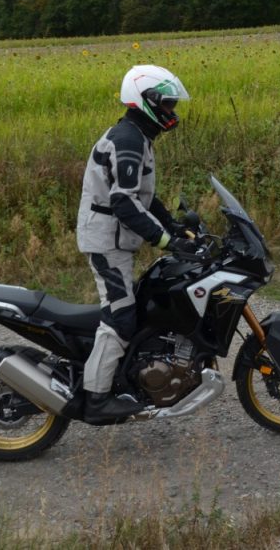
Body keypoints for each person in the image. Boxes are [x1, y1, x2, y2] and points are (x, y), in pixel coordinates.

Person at [75, 65, 198, 422]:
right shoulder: (128, 139)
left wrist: (174, 227)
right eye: (169, 104)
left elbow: (145, 197)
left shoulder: (137, 135)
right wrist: (164, 241)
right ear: (149, 102)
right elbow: (124, 202)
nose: (172, 111)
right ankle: (96, 400)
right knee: (120, 317)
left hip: (115, 240)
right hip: (105, 242)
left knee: (138, 308)